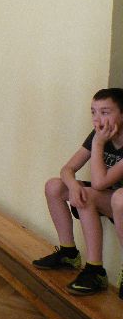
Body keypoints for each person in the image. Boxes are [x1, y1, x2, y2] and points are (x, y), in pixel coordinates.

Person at [32, 88, 123, 296]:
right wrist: (73, 186)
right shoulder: (99, 133)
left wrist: (98, 143)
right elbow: (67, 169)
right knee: (54, 186)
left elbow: (99, 183)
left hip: (118, 200)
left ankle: (95, 271)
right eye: (93, 112)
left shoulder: (100, 138)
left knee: (103, 195)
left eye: (105, 112)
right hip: (110, 198)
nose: (97, 119)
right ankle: (68, 253)